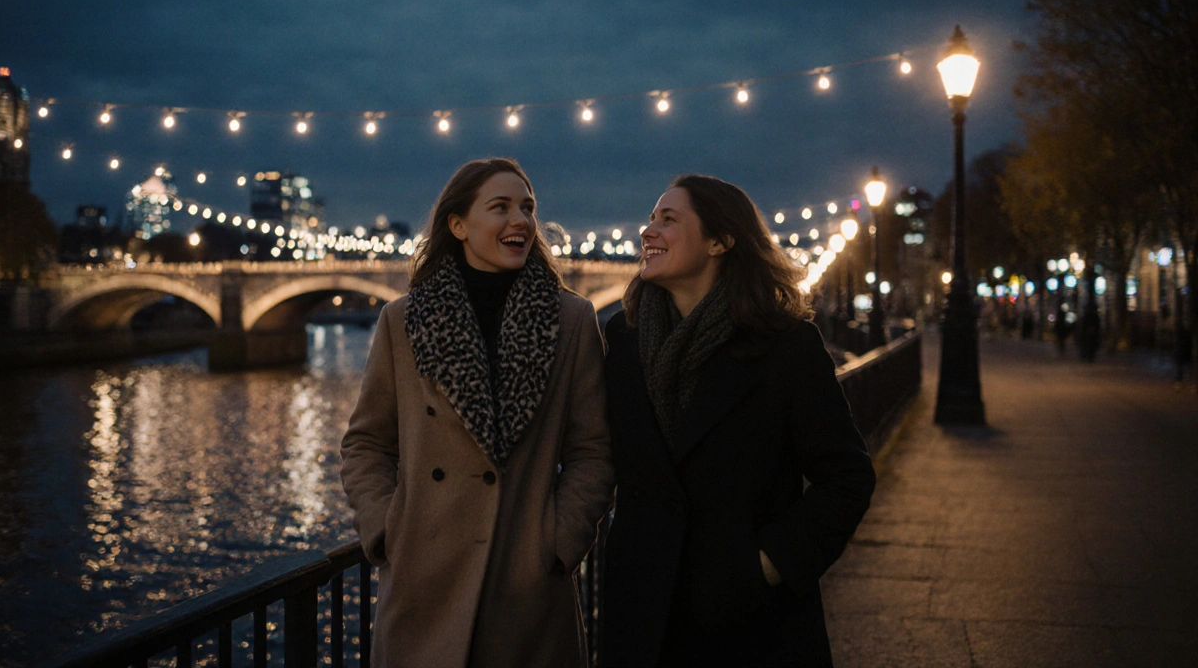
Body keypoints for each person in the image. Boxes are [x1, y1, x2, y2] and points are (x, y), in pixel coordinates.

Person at [339, 157, 614, 668]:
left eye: (528, 208)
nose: (521, 221)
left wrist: (558, 542)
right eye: (501, 207)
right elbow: (366, 444)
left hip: (525, 588)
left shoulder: (572, 319)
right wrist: (386, 529)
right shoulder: (403, 320)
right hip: (424, 583)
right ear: (458, 225)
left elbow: (592, 451)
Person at [599, 174, 876, 667]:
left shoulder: (786, 347)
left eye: (668, 219)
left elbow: (847, 478)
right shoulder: (622, 339)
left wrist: (769, 565)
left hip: (751, 621)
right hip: (644, 615)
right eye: (650, 218)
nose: (648, 231)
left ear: (720, 241)